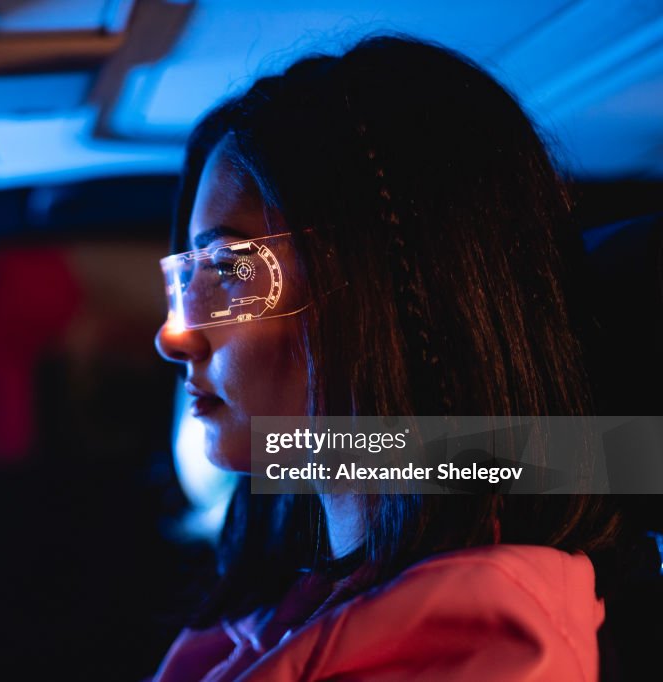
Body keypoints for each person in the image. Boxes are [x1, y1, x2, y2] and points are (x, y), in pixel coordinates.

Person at [153, 36, 619, 681]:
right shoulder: (303, 595)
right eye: (188, 277)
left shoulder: (484, 649)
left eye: (230, 268)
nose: (173, 337)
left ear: (388, 286)